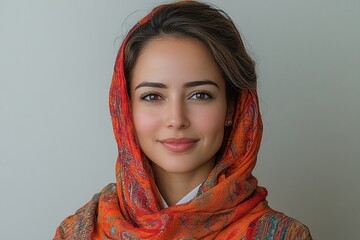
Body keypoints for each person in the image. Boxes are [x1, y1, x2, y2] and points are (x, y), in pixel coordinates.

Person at [54, 1, 312, 239]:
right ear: (125, 110)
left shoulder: (283, 236)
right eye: (153, 96)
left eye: (200, 95)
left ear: (232, 109)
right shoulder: (80, 232)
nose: (176, 119)